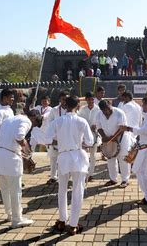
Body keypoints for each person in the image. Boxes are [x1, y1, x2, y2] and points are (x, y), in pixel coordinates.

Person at [43, 96, 94, 235]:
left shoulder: (57, 121)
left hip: (63, 155)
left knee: (62, 190)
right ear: (77, 106)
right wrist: (81, 142)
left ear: (65, 106)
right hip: (78, 155)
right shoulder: (81, 121)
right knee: (78, 190)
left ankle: (61, 220)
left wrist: (58, 141)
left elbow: (46, 138)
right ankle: (73, 224)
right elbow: (90, 141)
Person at [0, 110, 41, 228]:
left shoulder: (10, 119)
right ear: (33, 118)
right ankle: (17, 219)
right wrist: (26, 150)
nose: (32, 126)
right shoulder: (26, 120)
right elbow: (19, 136)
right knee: (15, 190)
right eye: (35, 124)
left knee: (5, 189)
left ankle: (10, 214)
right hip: (11, 159)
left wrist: (8, 145)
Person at [126, 95, 147, 205]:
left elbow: (144, 131)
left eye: (143, 104)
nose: (142, 106)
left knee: (140, 172)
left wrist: (129, 128)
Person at [96, 100, 131, 188]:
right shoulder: (99, 114)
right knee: (110, 158)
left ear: (110, 105)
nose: (106, 112)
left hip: (121, 139)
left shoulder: (119, 113)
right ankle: (113, 179)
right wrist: (104, 137)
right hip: (108, 140)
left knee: (123, 159)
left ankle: (125, 180)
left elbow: (122, 128)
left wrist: (114, 138)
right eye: (104, 111)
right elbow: (99, 127)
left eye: (108, 109)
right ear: (101, 110)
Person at [45, 91, 69, 184]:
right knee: (53, 158)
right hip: (56, 137)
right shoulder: (54, 110)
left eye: (66, 99)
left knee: (65, 158)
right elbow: (49, 123)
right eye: (63, 99)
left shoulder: (71, 109)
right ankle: (53, 177)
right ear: (60, 99)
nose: (65, 101)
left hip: (66, 138)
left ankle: (65, 176)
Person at [77, 92, 101, 182]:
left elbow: (100, 121)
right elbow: (78, 121)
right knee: (84, 155)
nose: (90, 101)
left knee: (93, 155)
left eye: (92, 99)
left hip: (95, 134)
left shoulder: (98, 109)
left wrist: (96, 126)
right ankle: (84, 172)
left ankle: (91, 174)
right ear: (86, 100)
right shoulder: (82, 109)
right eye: (89, 99)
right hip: (84, 135)